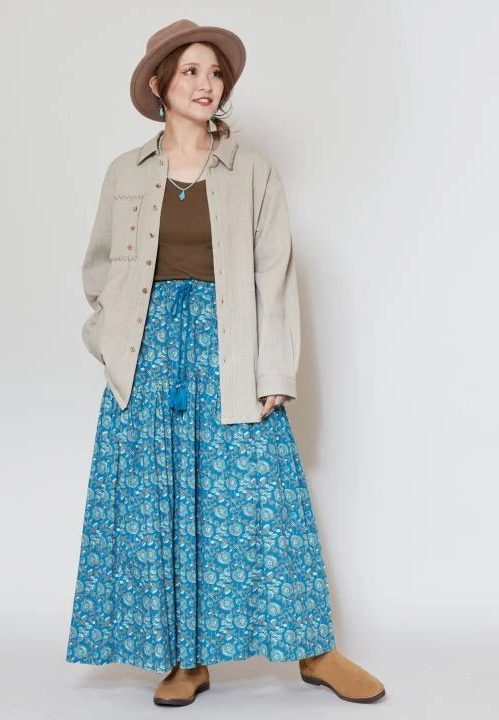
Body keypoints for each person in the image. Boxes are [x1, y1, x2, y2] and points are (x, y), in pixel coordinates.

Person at [65, 18, 386, 707]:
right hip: (147, 354)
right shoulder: (125, 172)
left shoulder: (253, 172)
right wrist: (108, 338)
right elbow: (99, 268)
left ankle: (315, 649)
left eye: (215, 73)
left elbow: (276, 273)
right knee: (159, 501)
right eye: (191, 71)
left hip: (231, 345)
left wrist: (276, 370)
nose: (206, 84)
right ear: (159, 85)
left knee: (265, 496)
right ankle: (186, 658)